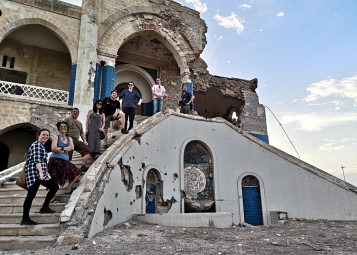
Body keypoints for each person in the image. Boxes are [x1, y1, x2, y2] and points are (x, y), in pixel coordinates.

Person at [21, 128, 59, 225]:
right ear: (39, 135)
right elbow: (37, 160)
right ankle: (25, 219)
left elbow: (42, 162)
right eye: (43, 134)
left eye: (47, 135)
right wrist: (41, 174)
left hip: (39, 173)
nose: (45, 136)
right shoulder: (37, 145)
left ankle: (44, 207)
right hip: (34, 174)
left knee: (54, 187)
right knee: (31, 195)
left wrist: (46, 173)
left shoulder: (40, 146)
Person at [47, 122, 82, 194]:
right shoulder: (56, 137)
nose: (63, 127)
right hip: (55, 160)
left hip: (65, 160)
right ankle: (52, 196)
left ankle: (68, 188)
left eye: (65, 126)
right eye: (61, 126)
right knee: (54, 179)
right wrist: (65, 148)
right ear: (59, 129)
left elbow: (72, 148)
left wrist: (60, 148)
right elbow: (53, 148)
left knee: (77, 173)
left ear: (67, 129)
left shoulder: (70, 138)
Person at [64, 108, 91, 172]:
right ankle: (66, 169)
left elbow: (82, 133)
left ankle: (83, 166)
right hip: (69, 139)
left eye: (77, 112)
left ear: (78, 114)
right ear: (71, 112)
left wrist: (84, 141)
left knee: (87, 151)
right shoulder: (67, 120)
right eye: (74, 111)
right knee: (68, 155)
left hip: (76, 140)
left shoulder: (79, 123)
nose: (75, 113)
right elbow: (63, 128)